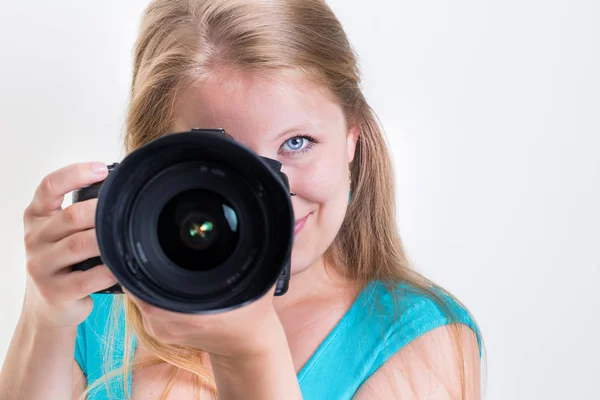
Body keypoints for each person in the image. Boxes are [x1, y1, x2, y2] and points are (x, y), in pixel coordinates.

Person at [0, 0, 483, 399]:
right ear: (155, 160)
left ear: (352, 137)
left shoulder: (417, 340)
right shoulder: (102, 304)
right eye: (224, 159)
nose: (268, 194)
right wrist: (45, 315)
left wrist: (251, 355)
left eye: (297, 143)